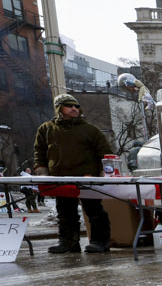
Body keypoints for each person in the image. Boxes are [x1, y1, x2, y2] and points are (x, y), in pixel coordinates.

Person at [34, 93, 113, 253]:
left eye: (76, 106)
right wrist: (42, 173)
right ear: (59, 108)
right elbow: (39, 153)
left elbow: (106, 154)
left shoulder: (91, 130)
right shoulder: (46, 129)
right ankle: (68, 242)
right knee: (65, 213)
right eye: (69, 106)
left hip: (87, 178)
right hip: (60, 179)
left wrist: (103, 174)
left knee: (94, 211)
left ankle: (100, 242)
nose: (74, 109)